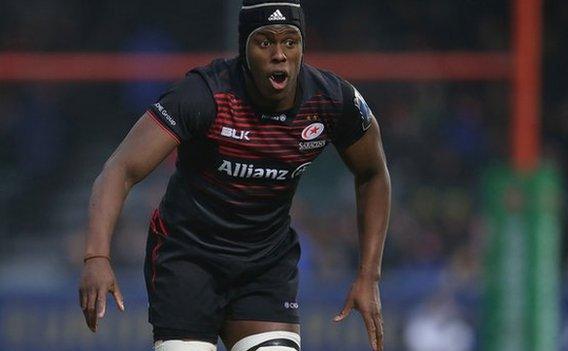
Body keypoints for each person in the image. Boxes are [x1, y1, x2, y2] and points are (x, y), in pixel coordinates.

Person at [78, 1, 391, 350]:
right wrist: (96, 257)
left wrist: (368, 275)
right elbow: (119, 170)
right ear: (244, 49)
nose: (279, 55)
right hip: (189, 257)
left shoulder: (333, 101)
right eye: (265, 42)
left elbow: (373, 173)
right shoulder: (204, 94)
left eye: (290, 41)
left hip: (264, 264)